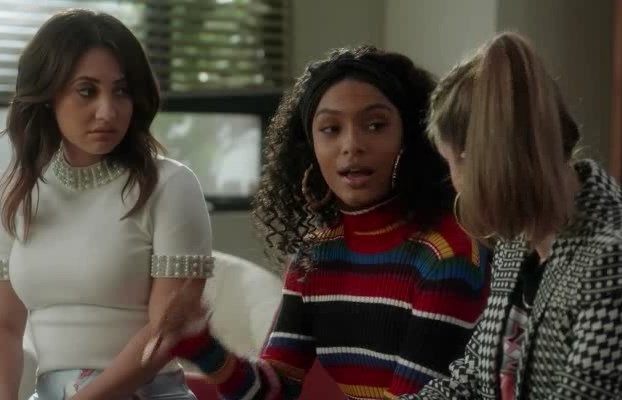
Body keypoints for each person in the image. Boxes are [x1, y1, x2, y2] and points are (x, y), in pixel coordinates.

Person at [142, 46, 491, 400]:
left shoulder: (447, 255)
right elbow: (275, 393)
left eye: (375, 125)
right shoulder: (315, 257)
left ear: (411, 137)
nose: (351, 145)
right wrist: (201, 344)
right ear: (309, 148)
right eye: (331, 129)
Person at [401, 32, 622, 400]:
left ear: (477, 161)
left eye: (450, 166)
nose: (454, 185)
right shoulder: (518, 239)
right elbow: (472, 382)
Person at [0, 9, 212, 400]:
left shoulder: (170, 186)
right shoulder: (15, 194)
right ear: (49, 96)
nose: (108, 111)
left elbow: (166, 330)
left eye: (121, 91)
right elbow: (2, 327)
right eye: (87, 91)